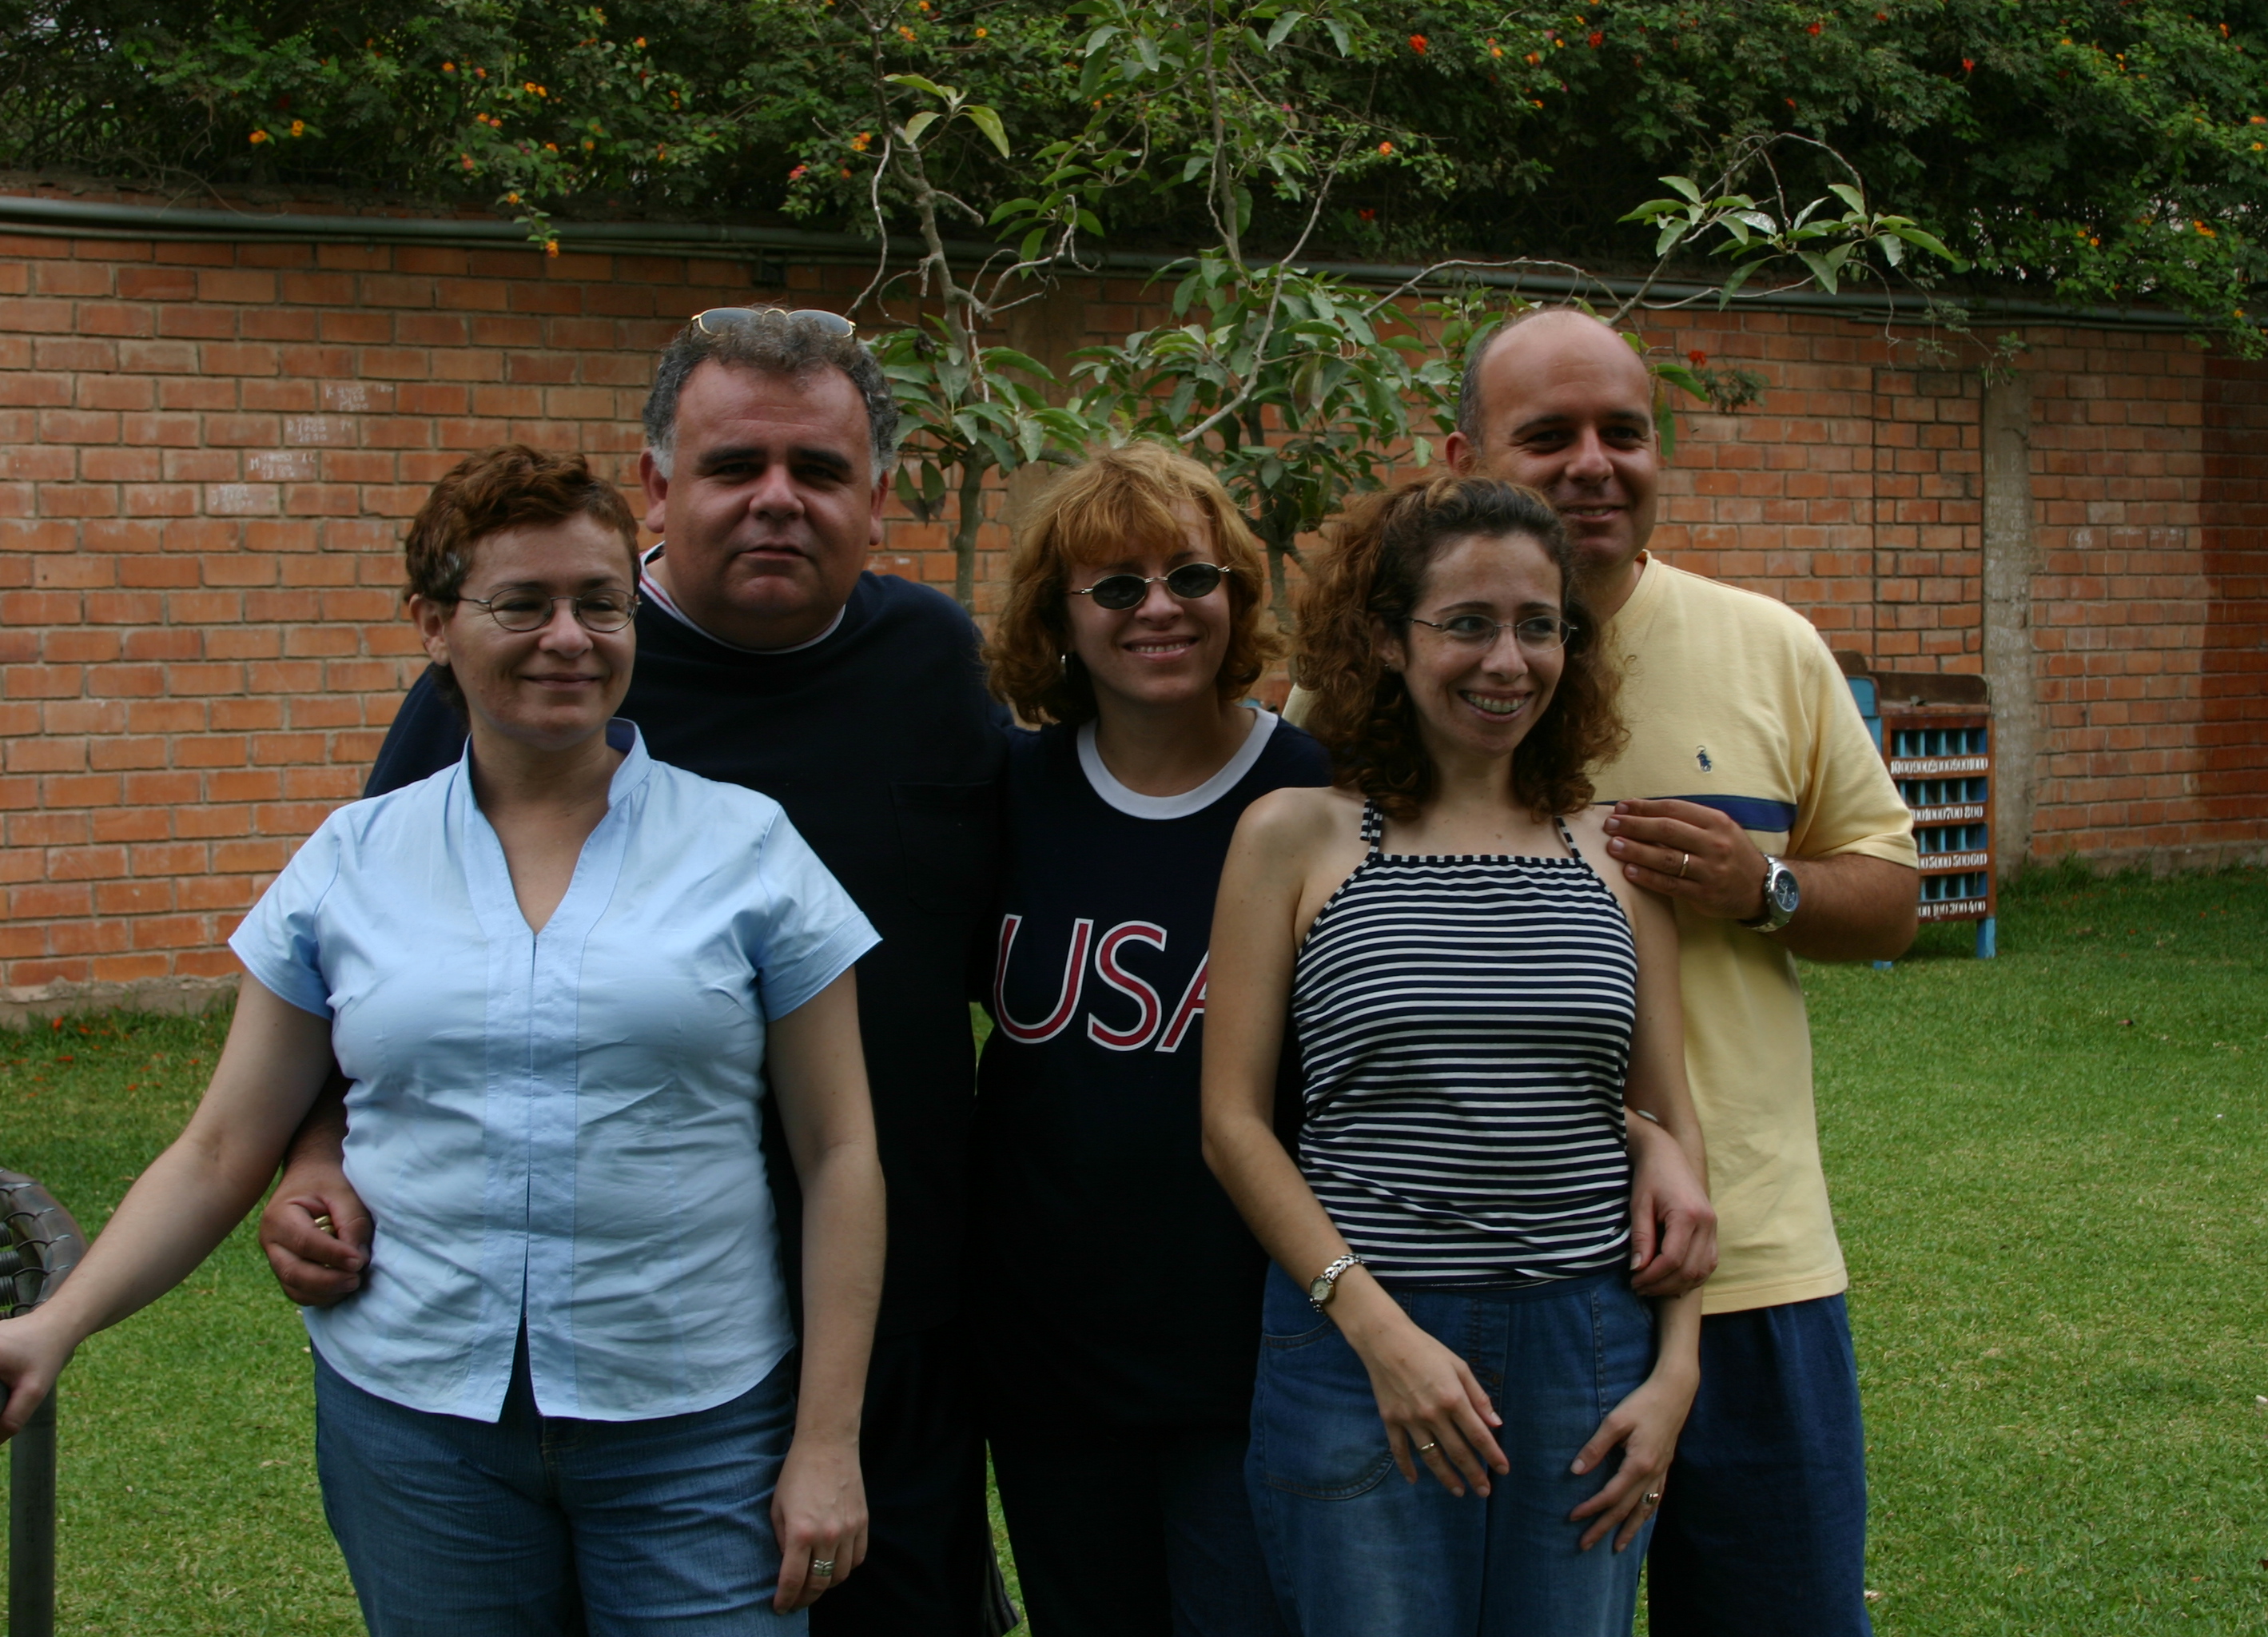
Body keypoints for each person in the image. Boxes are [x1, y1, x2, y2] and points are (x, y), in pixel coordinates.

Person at [0, 446, 887, 1634]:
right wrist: (55, 1326)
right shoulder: (352, 860)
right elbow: (220, 1148)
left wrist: (827, 1442)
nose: (568, 638)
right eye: (522, 604)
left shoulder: (750, 848)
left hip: (696, 1423)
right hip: (417, 1433)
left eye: (600, 603)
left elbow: (840, 1153)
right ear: (433, 623)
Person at [258, 310, 1015, 1635]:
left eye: (820, 470)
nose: (777, 499)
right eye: (734, 465)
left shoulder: (933, 666)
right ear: (658, 485)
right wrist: (315, 1151)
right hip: (615, 1333)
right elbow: (369, 962)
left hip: (887, 1312)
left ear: (879, 500)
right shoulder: (540, 671)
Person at [1450, 308, 1920, 1635]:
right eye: (1548, 435)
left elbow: (1893, 901)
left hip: (1751, 1262)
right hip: (1492, 1271)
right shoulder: (1387, 672)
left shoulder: (1767, 646)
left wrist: (1764, 887)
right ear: (1463, 458)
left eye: (1625, 432)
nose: (1593, 465)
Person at [1202, 476, 1720, 1635]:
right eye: (1468, 624)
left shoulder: (1616, 853)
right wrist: (1377, 1330)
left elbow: (1670, 1124)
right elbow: (1232, 1125)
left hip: (1588, 1349)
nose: (1508, 661)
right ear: (1388, 640)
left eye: (1540, 626)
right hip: (1360, 1343)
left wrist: (1676, 1372)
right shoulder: (1296, 837)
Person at [969, 443, 1326, 1637]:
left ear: (1238, 594)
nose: (1160, 608)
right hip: (1049, 1358)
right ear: (1060, 619)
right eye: (1117, 587)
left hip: (1254, 1353)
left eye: (1192, 576)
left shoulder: (1318, 796)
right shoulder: (1011, 794)